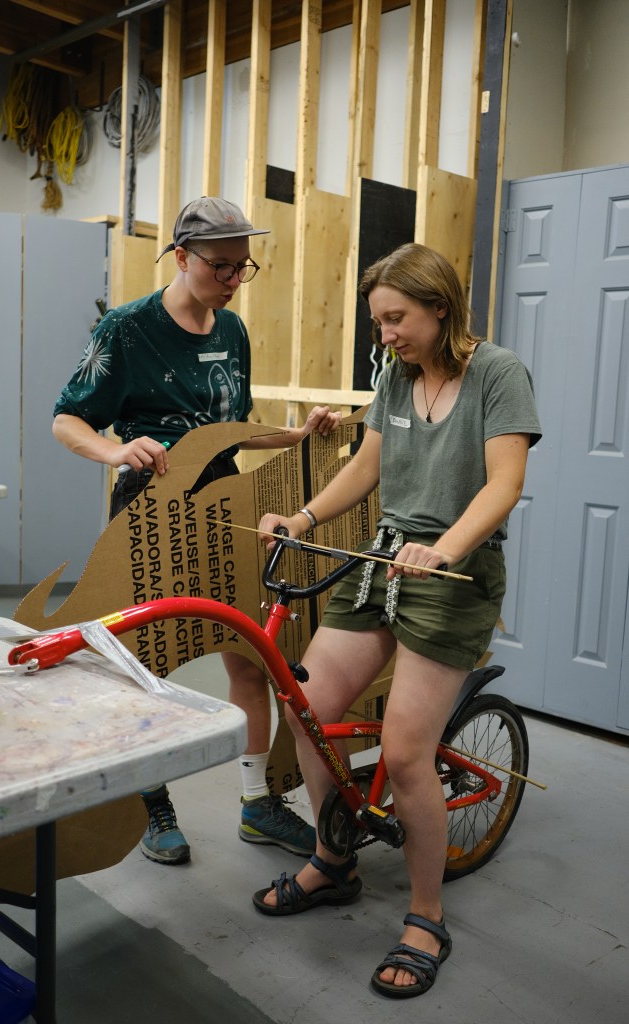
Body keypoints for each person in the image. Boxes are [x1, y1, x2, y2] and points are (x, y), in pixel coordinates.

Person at [252, 242, 541, 999]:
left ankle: (425, 917)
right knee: (308, 707)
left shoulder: (497, 373)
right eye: (378, 322)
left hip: (453, 572)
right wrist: (302, 518)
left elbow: (504, 483)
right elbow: (365, 467)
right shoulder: (394, 376)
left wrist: (444, 549)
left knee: (408, 753)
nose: (384, 335)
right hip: (383, 560)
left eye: (395, 319)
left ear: (439, 308)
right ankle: (333, 860)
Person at [52, 196, 341, 867]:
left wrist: (294, 435)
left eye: (244, 267)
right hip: (150, 514)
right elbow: (66, 419)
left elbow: (231, 428)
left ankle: (257, 802)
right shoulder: (128, 330)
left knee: (248, 655)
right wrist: (116, 450)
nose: (234, 280)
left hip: (223, 504)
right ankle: (151, 805)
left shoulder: (232, 330)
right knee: (145, 666)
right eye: (221, 267)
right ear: (181, 256)